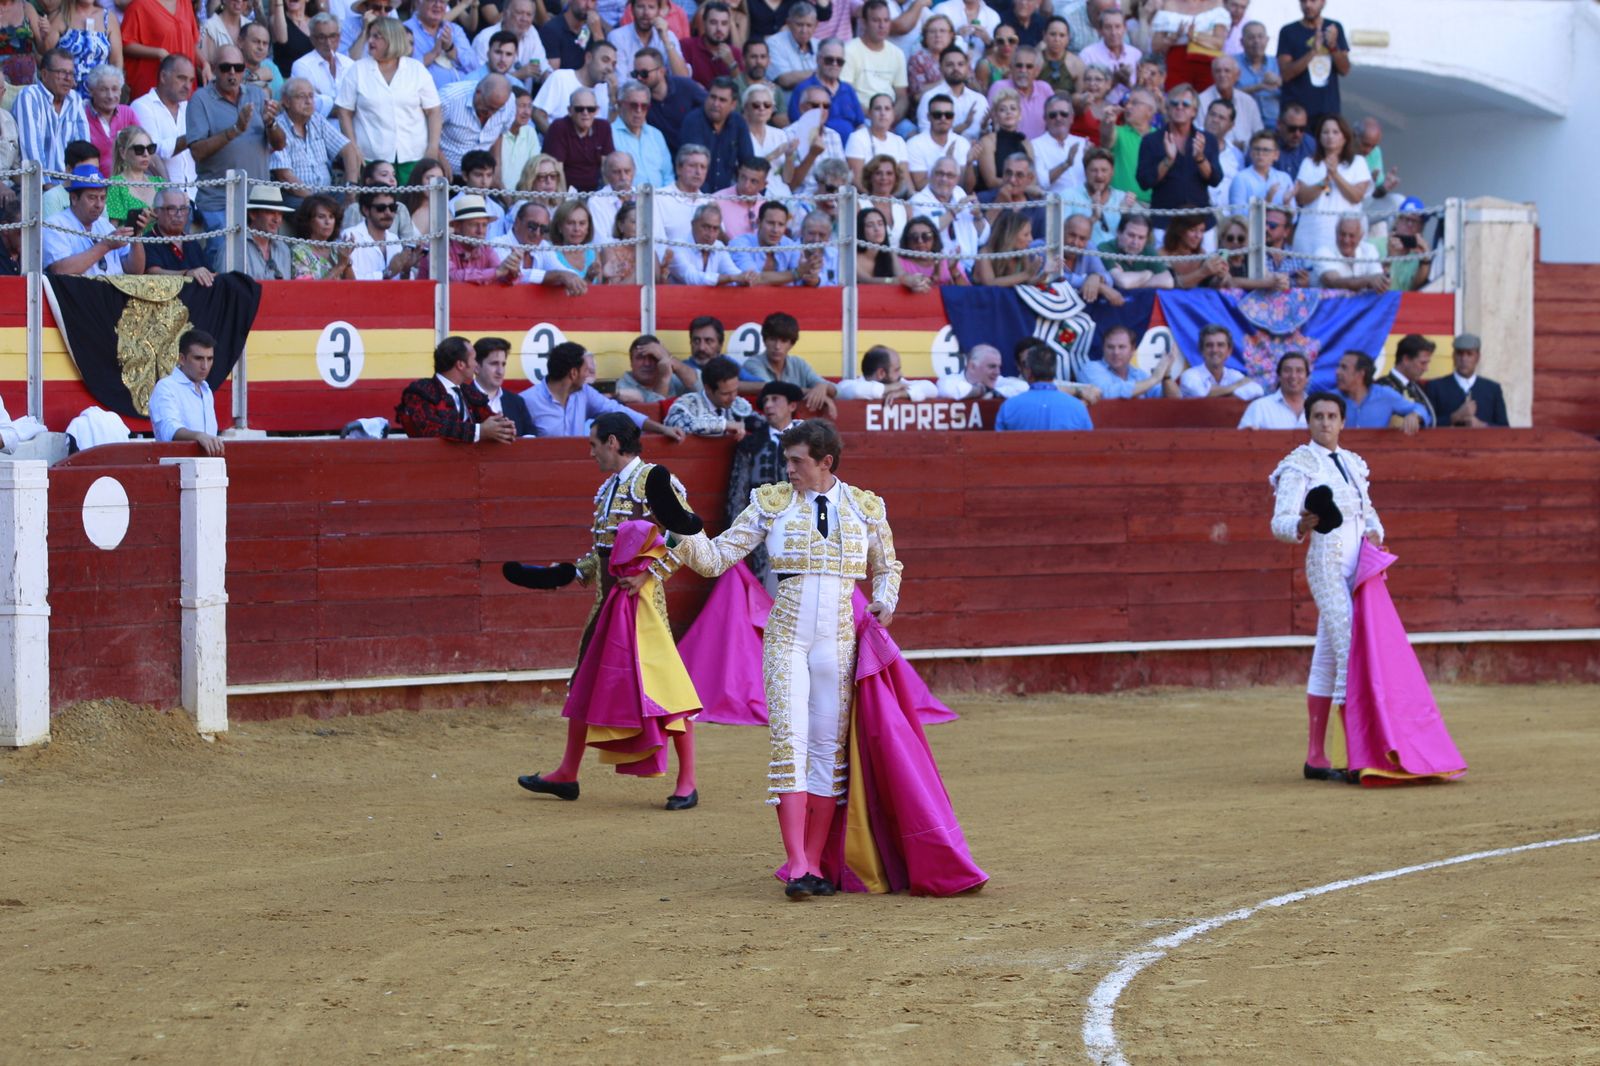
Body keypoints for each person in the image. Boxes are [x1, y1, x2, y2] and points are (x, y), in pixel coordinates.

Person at [667, 420, 970, 900]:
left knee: (828, 753)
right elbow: (715, 558)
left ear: (825, 463)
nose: (788, 470)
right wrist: (682, 528)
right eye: (787, 461)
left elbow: (887, 565)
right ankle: (799, 862)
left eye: (797, 462)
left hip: (840, 642)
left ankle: (815, 864)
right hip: (785, 639)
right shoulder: (771, 503)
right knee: (791, 743)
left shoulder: (865, 507)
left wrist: (886, 601)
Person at [1269, 390, 1467, 785]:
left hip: (1357, 568)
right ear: (1308, 422)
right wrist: (1304, 523)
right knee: (1351, 653)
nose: (1325, 423)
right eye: (1318, 416)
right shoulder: (1298, 465)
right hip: (1326, 566)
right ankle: (1356, 754)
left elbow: (1368, 511)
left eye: (1332, 416)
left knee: (1329, 657)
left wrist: (1376, 532)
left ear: (1343, 421)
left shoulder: (1353, 464)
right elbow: (1280, 523)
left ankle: (1316, 757)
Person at [511, 411, 703, 810]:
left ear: (613, 442)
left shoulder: (653, 480)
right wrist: (567, 573)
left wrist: (649, 575)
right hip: (606, 603)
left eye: (594, 444)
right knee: (585, 681)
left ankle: (687, 781)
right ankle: (567, 773)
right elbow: (604, 555)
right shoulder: (609, 489)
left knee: (662, 688)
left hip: (642, 605)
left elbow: (687, 538)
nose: (591, 452)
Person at [188, 44, 287, 240]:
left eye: (238, 68)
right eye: (225, 68)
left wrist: (271, 123)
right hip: (219, 202)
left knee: (259, 265)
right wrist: (234, 131)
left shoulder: (257, 94)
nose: (232, 73)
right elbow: (197, 151)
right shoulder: (200, 100)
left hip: (258, 201)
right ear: (215, 68)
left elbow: (279, 144)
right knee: (225, 265)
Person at [333, 17, 443, 183]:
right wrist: (353, 146)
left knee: (412, 205)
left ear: (393, 38)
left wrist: (433, 147)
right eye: (370, 35)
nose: (370, 40)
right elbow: (344, 111)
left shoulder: (416, 70)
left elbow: (434, 110)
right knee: (378, 206)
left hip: (414, 156)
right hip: (372, 158)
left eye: (377, 36)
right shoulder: (358, 69)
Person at [522, 341, 686, 438]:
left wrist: (662, 428)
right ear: (573, 373)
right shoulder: (527, 401)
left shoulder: (584, 393)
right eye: (586, 370)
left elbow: (619, 412)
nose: (588, 375)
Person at [396, 335, 519, 442]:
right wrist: (479, 431)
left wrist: (504, 428)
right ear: (460, 365)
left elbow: (490, 420)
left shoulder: (469, 393)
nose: (476, 364)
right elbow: (430, 428)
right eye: (474, 359)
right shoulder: (419, 392)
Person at [43, 164, 146, 276]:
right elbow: (61, 270)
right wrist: (106, 245)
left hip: (114, 291)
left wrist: (136, 237)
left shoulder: (105, 225)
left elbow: (135, 270)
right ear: (74, 198)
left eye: (102, 198)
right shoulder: (54, 224)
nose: (99, 205)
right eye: (92, 197)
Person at [271, 76, 362, 204]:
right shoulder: (277, 128)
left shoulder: (317, 120)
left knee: (355, 206)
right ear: (286, 101)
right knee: (317, 213)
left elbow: (348, 149)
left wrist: (351, 186)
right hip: (296, 196)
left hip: (326, 193)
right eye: (301, 96)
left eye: (311, 96)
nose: (308, 101)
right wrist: (317, 202)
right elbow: (284, 176)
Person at [1135, 83, 1220, 216]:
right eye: (1174, 103)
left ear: (1194, 111)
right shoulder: (1150, 140)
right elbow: (1144, 182)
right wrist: (1168, 160)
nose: (1179, 107)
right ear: (1168, 109)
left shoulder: (1207, 140)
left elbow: (1215, 180)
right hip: (1163, 220)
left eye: (1185, 104)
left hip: (1199, 222)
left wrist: (1200, 159)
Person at [1293, 113, 1369, 257]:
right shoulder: (1309, 163)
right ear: (1319, 137)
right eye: (1325, 132)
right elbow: (1301, 198)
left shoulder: (1358, 162)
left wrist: (1335, 175)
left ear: (1344, 136)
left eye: (1335, 132)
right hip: (1311, 234)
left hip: (1344, 237)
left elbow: (1357, 196)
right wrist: (1325, 181)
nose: (1330, 136)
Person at [738, 313, 837, 415]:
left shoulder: (798, 363)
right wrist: (816, 393)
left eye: (784, 341)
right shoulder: (753, 364)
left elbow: (834, 390)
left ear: (791, 344)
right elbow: (775, 390)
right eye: (772, 339)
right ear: (765, 340)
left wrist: (822, 386)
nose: (777, 346)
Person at [129, 54, 197, 199]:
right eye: (181, 78)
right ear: (163, 77)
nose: (188, 86)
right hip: (160, 202)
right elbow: (155, 151)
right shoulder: (142, 106)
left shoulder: (190, 108)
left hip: (195, 197)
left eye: (191, 80)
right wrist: (195, 135)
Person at [14, 49, 89, 180]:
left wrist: (81, 184)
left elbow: (84, 149)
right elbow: (32, 151)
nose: (68, 78)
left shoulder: (75, 99)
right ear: (44, 74)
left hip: (70, 186)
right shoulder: (30, 96)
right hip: (38, 185)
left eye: (71, 74)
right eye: (61, 72)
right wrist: (45, 185)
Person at [149, 329, 226, 456]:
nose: (205, 366)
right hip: (176, 468)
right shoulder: (166, 387)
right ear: (182, 359)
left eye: (210, 359)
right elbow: (168, 429)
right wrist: (199, 436)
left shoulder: (206, 390)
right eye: (198, 358)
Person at [1276, 0, 1348, 125]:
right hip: (1296, 114)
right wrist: (1313, 51)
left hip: (1328, 110)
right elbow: (1286, 74)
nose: (1308, 5)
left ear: (1323, 3)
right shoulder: (1288, 31)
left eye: (1313, 1)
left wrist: (1333, 46)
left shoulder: (1334, 29)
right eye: (1304, 1)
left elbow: (1345, 69)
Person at [680, 76, 755, 191]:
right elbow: (695, 167)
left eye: (722, 100)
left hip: (726, 195)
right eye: (712, 97)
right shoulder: (693, 121)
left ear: (733, 105)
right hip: (695, 194)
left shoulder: (738, 123)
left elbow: (748, 163)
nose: (715, 104)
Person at [996, 343, 1094, 430]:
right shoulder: (1077, 407)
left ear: (1029, 371)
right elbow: (1087, 442)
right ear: (1054, 370)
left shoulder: (1009, 406)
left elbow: (999, 446)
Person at [120, 0, 201, 103]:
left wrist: (204, 64)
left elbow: (192, 42)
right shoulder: (139, 5)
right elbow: (125, 45)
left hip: (184, 84)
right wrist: (157, 52)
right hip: (153, 83)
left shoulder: (185, 3)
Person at [437, 73, 516, 179]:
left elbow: (499, 135)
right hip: (447, 174)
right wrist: (439, 158)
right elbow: (423, 131)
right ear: (478, 93)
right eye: (488, 107)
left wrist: (497, 169)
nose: (491, 114)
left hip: (482, 178)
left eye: (496, 110)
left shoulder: (509, 102)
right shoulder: (449, 98)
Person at [1424, 333, 1509, 429]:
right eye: (1460, 354)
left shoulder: (1492, 389)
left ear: (1477, 357)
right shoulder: (1435, 387)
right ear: (1453, 356)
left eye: (1469, 354)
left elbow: (1504, 428)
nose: (1464, 359)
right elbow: (1425, 424)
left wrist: (1482, 425)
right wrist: (1454, 417)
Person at [1334, 350, 1429, 434]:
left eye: (1344, 367)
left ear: (1361, 373)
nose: (1337, 372)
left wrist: (1415, 415)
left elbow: (1420, 409)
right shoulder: (1332, 398)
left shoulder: (1385, 395)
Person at [533, 37, 615, 132]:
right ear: (588, 58)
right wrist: (557, 141)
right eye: (605, 60)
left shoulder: (606, 90)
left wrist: (613, 99)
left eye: (613, 64)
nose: (610, 68)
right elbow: (537, 114)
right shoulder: (561, 77)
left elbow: (607, 131)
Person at [665, 355, 755, 436]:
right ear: (708, 389)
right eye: (725, 393)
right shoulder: (687, 403)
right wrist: (724, 424)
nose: (733, 397)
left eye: (735, 391)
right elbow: (677, 425)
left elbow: (762, 425)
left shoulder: (739, 405)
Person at [543, 85, 614, 190]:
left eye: (590, 109)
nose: (585, 113)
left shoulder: (603, 127)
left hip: (596, 193)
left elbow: (606, 167)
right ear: (570, 110)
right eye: (579, 109)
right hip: (567, 193)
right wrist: (564, 201)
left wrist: (608, 198)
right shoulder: (559, 127)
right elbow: (557, 170)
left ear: (597, 110)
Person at [1080, 324, 1177, 399]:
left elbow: (1175, 401)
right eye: (1110, 347)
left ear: (1133, 350)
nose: (1116, 352)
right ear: (1103, 349)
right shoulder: (1091, 368)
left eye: (1121, 347)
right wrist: (1153, 379)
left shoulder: (1139, 375)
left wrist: (1166, 376)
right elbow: (1106, 394)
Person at [142, 187, 215, 283]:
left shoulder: (191, 242)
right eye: (172, 209)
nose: (179, 214)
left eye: (183, 209)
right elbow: (153, 273)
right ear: (156, 212)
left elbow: (210, 272)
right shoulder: (148, 240)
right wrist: (187, 274)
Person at [1178, 324, 1264, 400]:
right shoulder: (1189, 375)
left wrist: (1217, 393)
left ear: (1229, 351)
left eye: (1220, 345)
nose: (1215, 350)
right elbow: (1202, 394)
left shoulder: (1233, 374)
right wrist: (1236, 386)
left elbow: (1258, 390)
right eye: (1209, 345)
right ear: (1202, 350)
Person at [289, 13, 351, 117]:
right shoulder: (302, 66)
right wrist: (348, 107)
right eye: (322, 37)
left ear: (339, 37)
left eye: (332, 36)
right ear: (312, 39)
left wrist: (326, 101)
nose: (328, 43)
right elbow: (311, 106)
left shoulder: (349, 64)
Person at [472, 336, 536, 436]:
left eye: (503, 364)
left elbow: (531, 436)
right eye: (494, 364)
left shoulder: (516, 402)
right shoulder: (461, 398)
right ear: (476, 367)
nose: (500, 371)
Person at [1375, 333, 1437, 427]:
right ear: (1406, 359)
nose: (1426, 369)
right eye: (1422, 363)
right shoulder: (1382, 387)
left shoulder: (1416, 386)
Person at [617, 333, 701, 402]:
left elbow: (702, 389)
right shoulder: (621, 387)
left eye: (653, 357)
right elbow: (653, 414)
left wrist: (669, 358)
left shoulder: (672, 379)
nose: (647, 363)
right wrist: (663, 380)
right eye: (640, 357)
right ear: (631, 362)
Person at [1237, 350, 1310, 429]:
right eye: (1287, 370)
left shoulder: (1317, 407)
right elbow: (1241, 439)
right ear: (1279, 376)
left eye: (1299, 371)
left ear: (1307, 377)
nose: (1293, 376)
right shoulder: (1260, 407)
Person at [288, 193, 355, 280]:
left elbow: (354, 288)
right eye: (321, 217)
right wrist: (340, 265)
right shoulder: (299, 252)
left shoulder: (336, 250)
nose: (328, 222)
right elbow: (310, 291)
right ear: (308, 221)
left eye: (331, 217)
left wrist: (346, 260)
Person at [837, 345, 939, 401]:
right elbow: (855, 391)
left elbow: (932, 389)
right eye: (896, 370)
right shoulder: (849, 385)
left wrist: (905, 393)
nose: (901, 374)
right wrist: (890, 388)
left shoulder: (900, 384)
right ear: (881, 373)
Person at [1316, 213, 1386, 293]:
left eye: (1351, 236)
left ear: (1361, 236)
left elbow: (1377, 279)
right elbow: (1334, 282)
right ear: (1336, 232)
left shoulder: (1369, 249)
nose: (1346, 240)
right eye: (1342, 234)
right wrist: (1368, 280)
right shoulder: (1323, 252)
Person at [683, 1, 743, 87]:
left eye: (724, 23)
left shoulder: (736, 53)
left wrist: (732, 64)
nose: (719, 28)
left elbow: (743, 91)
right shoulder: (687, 46)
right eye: (713, 23)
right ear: (704, 23)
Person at [243, 184, 294, 281]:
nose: (277, 219)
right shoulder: (234, 248)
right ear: (253, 214)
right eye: (270, 212)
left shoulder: (283, 249)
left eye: (280, 214)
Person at [937, 343, 1025, 399]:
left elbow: (1023, 387)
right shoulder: (951, 380)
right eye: (992, 366)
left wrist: (994, 393)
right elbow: (949, 390)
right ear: (972, 366)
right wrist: (981, 391)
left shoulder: (996, 381)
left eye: (999, 367)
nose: (997, 372)